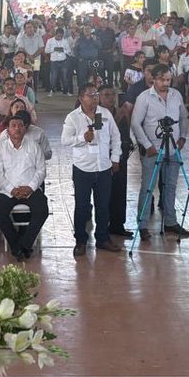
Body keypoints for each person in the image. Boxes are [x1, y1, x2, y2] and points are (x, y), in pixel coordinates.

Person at [61, 85, 123, 256]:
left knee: (103, 205)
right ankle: (80, 240)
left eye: (96, 95)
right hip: (83, 168)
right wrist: (82, 138)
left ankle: (102, 238)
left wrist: (115, 157)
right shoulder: (73, 117)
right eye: (90, 95)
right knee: (82, 206)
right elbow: (65, 140)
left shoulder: (105, 114)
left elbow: (116, 137)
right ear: (81, 98)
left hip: (103, 167)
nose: (95, 98)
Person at [130, 64, 189, 238]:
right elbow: (135, 123)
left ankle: (171, 221)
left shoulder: (176, 95)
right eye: (162, 79)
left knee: (170, 186)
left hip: (173, 147)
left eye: (168, 79)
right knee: (148, 187)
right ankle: (142, 224)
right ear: (153, 79)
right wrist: (147, 145)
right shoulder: (144, 97)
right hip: (153, 150)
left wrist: (183, 137)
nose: (165, 83)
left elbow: (183, 117)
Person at [0, 112, 48, 259]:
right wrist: (12, 189)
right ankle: (17, 245)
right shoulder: (1, 148)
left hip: (31, 189)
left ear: (25, 128)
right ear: (8, 130)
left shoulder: (34, 146)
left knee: (42, 210)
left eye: (20, 126)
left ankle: (24, 245)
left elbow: (41, 170)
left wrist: (30, 187)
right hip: (8, 191)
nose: (17, 129)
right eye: (13, 126)